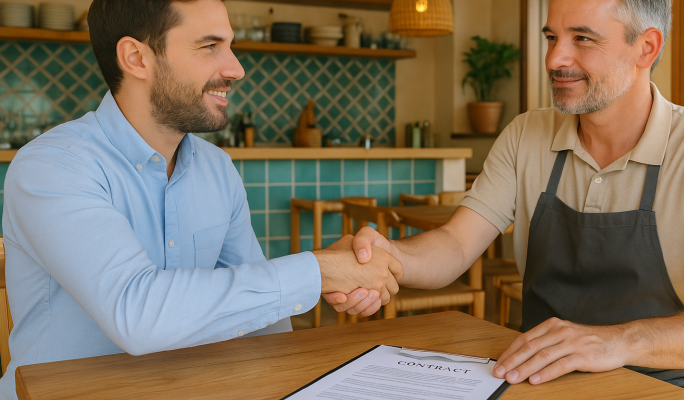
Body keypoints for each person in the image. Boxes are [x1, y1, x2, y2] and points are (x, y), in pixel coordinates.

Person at [325, 0, 684, 399]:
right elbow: (456, 245)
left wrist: (614, 343)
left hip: (668, 385)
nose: (555, 58)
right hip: (541, 378)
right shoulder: (526, 135)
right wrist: (390, 258)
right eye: (551, 36)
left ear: (647, 47)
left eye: (583, 38)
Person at [0, 0, 397, 398]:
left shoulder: (217, 169)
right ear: (136, 58)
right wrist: (320, 271)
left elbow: (267, 327)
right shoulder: (53, 166)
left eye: (230, 45)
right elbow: (137, 314)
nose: (236, 69)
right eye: (209, 47)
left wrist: (345, 275)